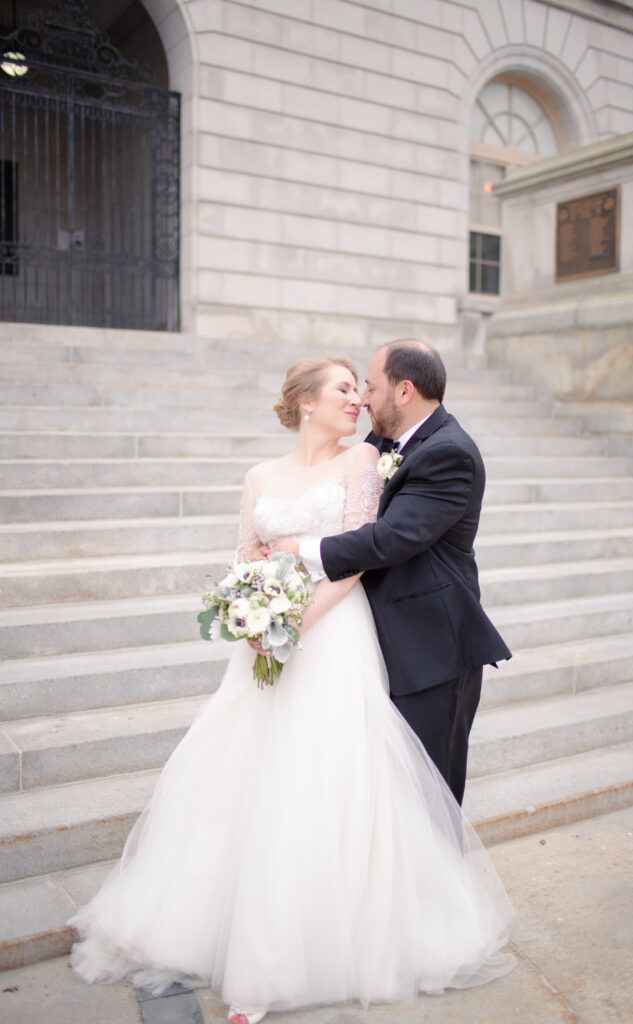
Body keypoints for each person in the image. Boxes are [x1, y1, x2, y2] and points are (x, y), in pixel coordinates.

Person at [70, 357, 514, 1024]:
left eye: (362, 386)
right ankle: (224, 930)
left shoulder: (365, 463)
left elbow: (365, 550)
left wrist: (297, 618)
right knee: (246, 780)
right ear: (305, 402)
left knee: (325, 781)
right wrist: (250, 612)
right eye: (344, 387)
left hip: (335, 635)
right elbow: (246, 552)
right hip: (269, 645)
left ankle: (293, 959)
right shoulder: (259, 476)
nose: (358, 401)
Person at [271, 340, 511, 806]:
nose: (361, 399)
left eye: (370, 386)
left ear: (404, 392)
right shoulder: (383, 441)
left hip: (432, 652)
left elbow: (390, 540)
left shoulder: (450, 452)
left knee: (428, 802)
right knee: (385, 804)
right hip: (377, 646)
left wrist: (297, 549)